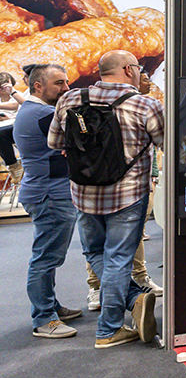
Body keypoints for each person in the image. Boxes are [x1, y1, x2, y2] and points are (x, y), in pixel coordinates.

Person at [48, 50, 164, 349]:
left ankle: (134, 301)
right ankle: (109, 329)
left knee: (95, 252)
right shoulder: (145, 104)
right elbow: (167, 145)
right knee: (119, 258)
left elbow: (54, 143)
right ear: (128, 70)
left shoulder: (69, 99)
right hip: (127, 194)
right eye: (138, 68)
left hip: (83, 192)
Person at [14, 63, 82, 338]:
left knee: (49, 255)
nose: (66, 88)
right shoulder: (42, 114)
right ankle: (44, 318)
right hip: (49, 195)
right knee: (45, 258)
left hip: (47, 192)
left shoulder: (33, 111)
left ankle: (50, 306)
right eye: (59, 83)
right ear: (38, 86)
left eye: (66, 82)